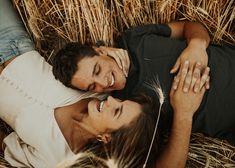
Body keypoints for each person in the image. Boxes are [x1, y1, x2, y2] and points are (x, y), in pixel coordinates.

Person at [52, 20, 235, 167]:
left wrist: (197, 46)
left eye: (98, 70)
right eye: (92, 87)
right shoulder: (126, 110)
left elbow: (190, 26)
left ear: (100, 51)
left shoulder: (133, 39)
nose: (103, 84)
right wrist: (184, 113)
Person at [0, 0, 160, 167]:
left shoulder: (57, 159)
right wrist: (105, 51)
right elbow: (83, 59)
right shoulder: (98, 89)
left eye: (116, 112)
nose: (112, 100)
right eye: (120, 102)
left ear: (107, 138)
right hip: (13, 40)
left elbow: (6, 145)